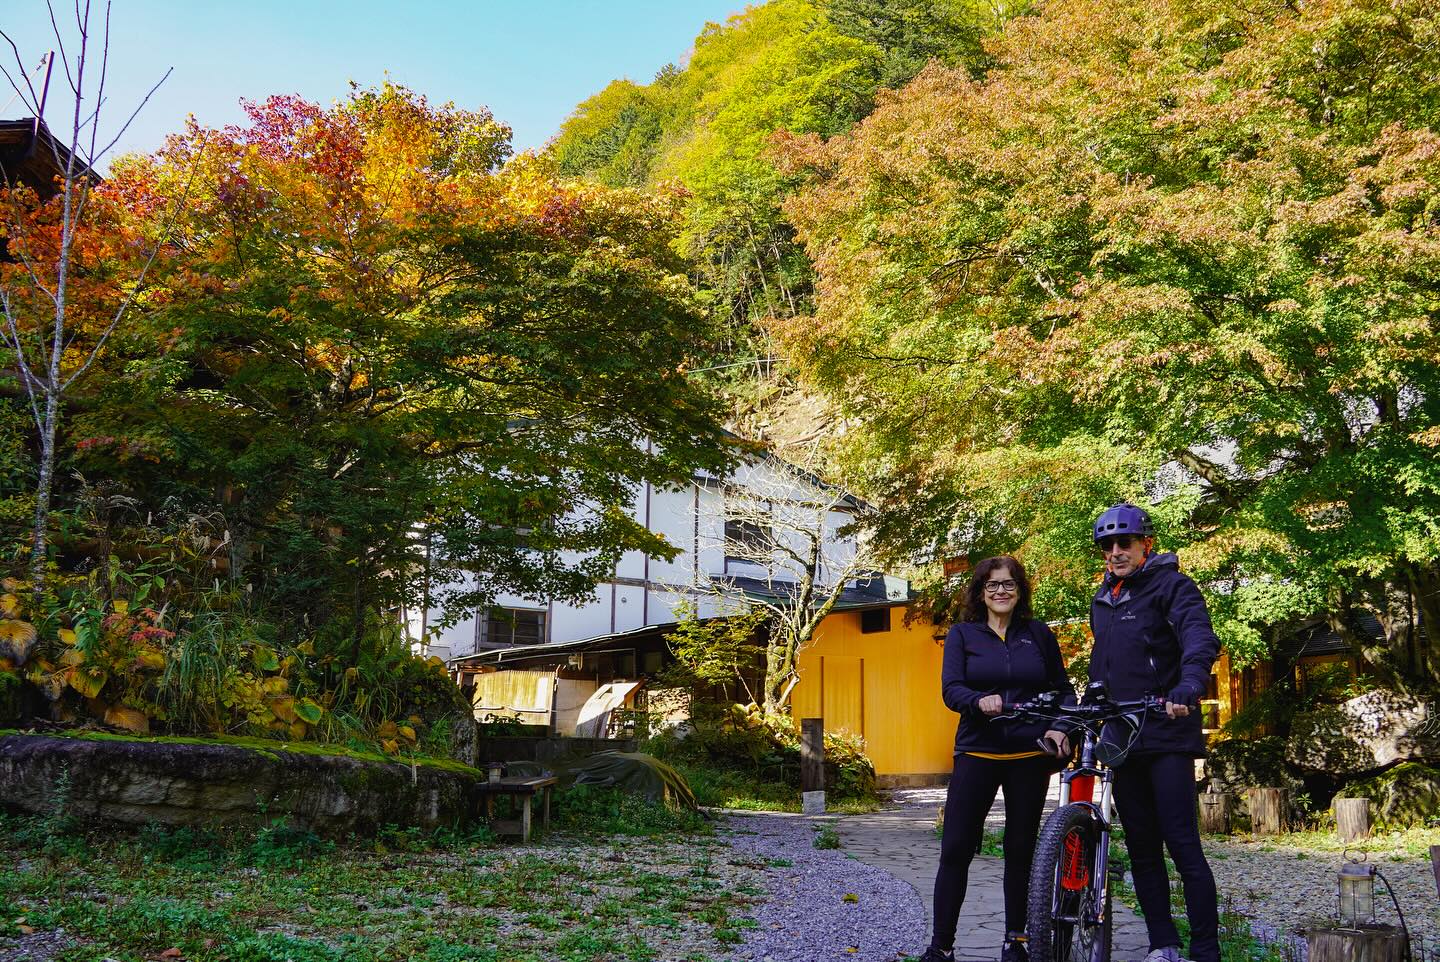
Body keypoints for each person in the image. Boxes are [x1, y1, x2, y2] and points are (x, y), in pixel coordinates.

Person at [920, 556, 1074, 962]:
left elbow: (1065, 692)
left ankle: (1016, 941)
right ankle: (942, 947)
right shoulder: (963, 635)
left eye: (1008, 584)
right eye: (992, 585)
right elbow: (951, 689)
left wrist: (1060, 728)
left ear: (1019, 590)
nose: (1001, 591)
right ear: (981, 592)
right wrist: (976, 700)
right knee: (956, 847)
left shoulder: (1038, 635)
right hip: (977, 751)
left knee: (1020, 849)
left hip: (1029, 754)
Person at [1088, 503, 1221, 962]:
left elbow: (1199, 639)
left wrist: (1188, 686)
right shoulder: (1103, 600)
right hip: (1124, 736)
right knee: (1142, 849)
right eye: (1108, 545)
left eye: (1125, 542)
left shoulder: (1173, 587)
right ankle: (1163, 945)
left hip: (1167, 728)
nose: (1117, 551)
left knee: (1182, 844)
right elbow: (1102, 665)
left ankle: (1206, 951)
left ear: (1146, 544)